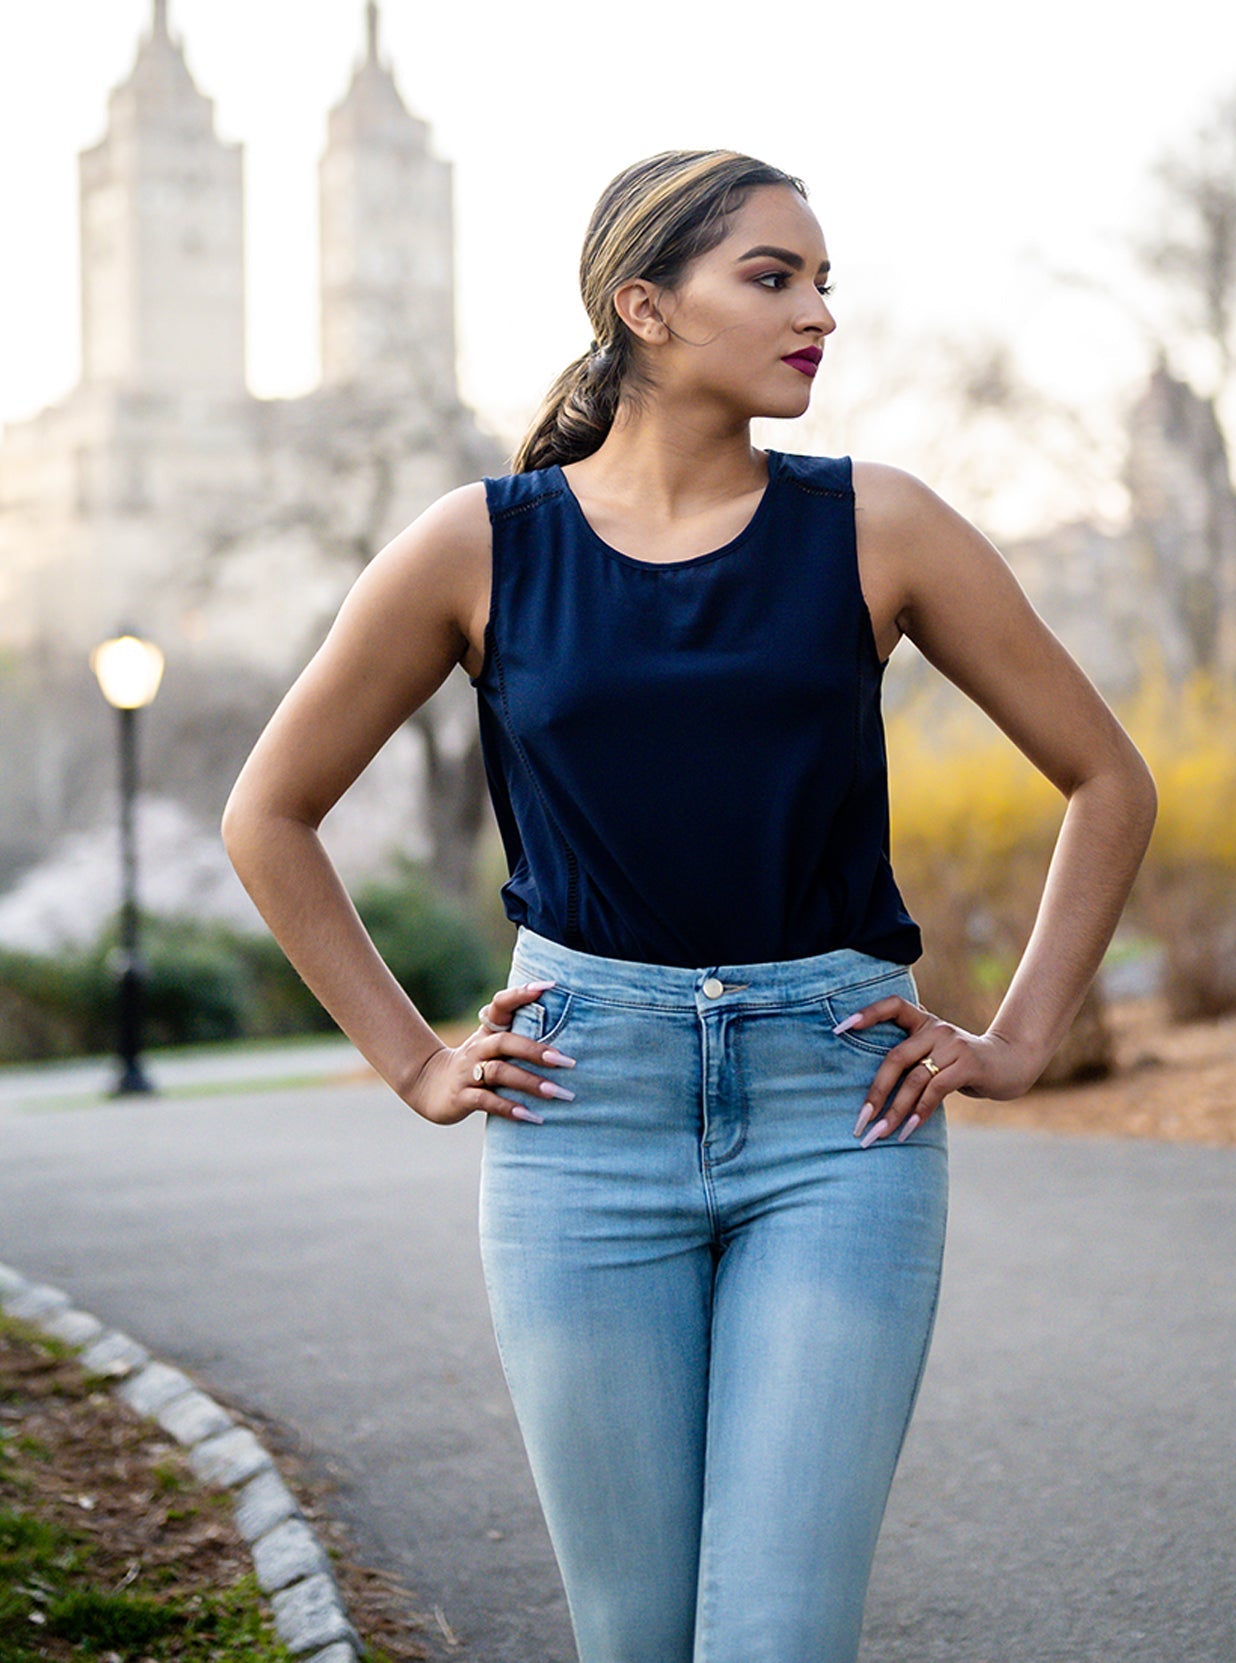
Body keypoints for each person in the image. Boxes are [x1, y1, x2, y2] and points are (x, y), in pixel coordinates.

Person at [222, 148, 1157, 1663]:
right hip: (580, 1114)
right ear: (642, 306)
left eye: (824, 282)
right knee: (639, 1637)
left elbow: (1107, 779)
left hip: (835, 1124)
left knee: (776, 1636)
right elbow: (269, 814)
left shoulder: (880, 525)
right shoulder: (483, 544)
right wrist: (413, 1060)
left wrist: (1025, 1036)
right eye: (774, 278)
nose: (821, 315)